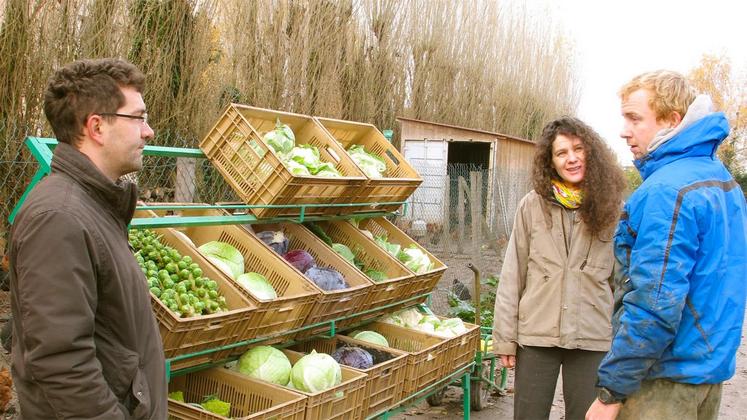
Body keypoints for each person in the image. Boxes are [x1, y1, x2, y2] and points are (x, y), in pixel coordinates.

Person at [7, 58, 167, 418]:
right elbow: (61, 362)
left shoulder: (95, 206)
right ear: (96, 126)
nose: (149, 131)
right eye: (138, 117)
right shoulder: (59, 218)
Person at [586, 70, 747, 420]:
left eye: (634, 118)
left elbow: (655, 306)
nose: (623, 130)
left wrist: (611, 391)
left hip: (664, 384)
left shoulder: (667, 191)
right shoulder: (724, 181)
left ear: (672, 121)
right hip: (707, 376)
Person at [493, 116, 626, 420]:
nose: (572, 158)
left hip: (592, 335)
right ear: (550, 162)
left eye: (578, 149)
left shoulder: (613, 209)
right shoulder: (532, 205)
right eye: (562, 152)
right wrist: (505, 337)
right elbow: (513, 273)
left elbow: (623, 281)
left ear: (591, 152)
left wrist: (624, 344)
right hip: (537, 335)